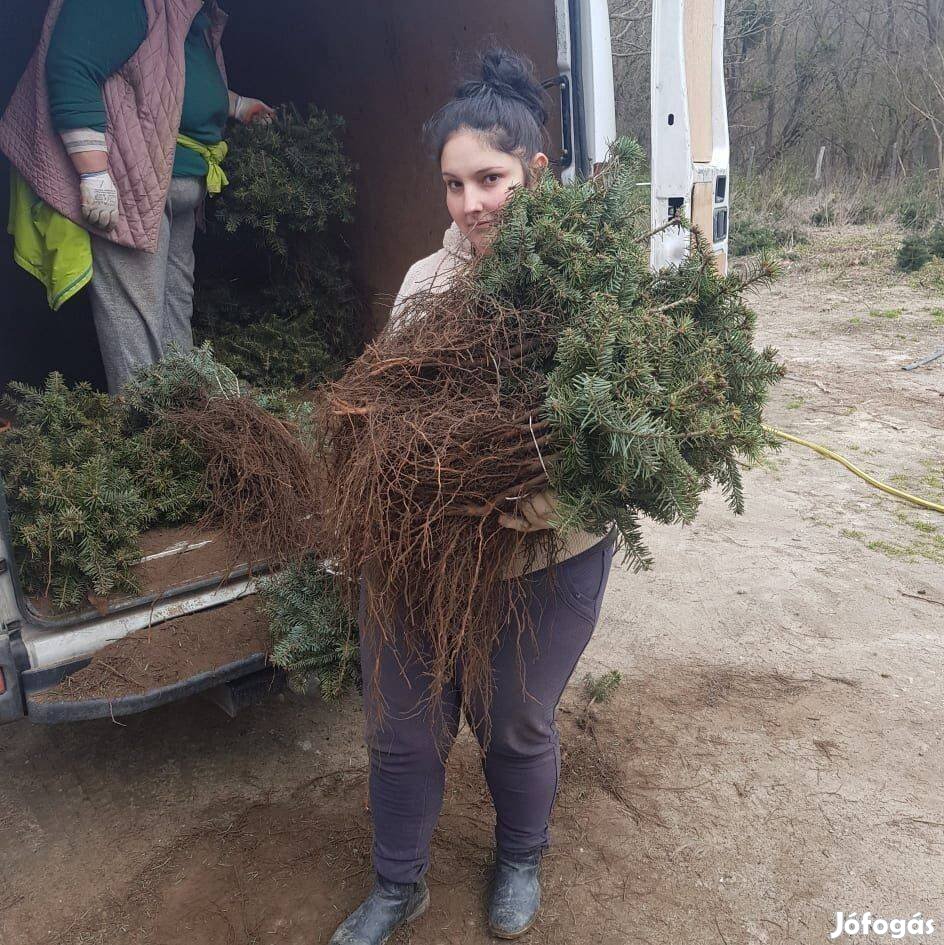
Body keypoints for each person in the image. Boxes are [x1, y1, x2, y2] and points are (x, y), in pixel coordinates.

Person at [328, 49, 615, 945]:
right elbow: (395, 410)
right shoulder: (425, 281)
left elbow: (609, 450)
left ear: (532, 171)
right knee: (402, 728)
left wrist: (530, 502)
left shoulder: (589, 291)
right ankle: (397, 883)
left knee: (513, 725)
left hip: (541, 552)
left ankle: (520, 856)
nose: (470, 205)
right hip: (425, 544)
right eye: (453, 185)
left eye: (488, 179)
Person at [0, 0, 273, 394]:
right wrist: (93, 174)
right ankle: (142, 426)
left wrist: (237, 105)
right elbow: (71, 66)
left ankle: (185, 408)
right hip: (130, 180)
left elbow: (173, 77)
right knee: (137, 312)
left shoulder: (195, 15)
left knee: (175, 298)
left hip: (178, 184)